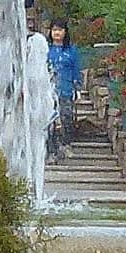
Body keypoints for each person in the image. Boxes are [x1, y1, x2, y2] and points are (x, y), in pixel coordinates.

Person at [46, 19, 82, 154]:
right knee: (49, 120)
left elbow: (76, 70)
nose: (57, 33)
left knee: (66, 118)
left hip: (66, 91)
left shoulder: (71, 51)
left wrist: (77, 89)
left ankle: (65, 145)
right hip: (48, 92)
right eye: (54, 30)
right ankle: (50, 149)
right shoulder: (45, 49)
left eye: (60, 30)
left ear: (65, 32)